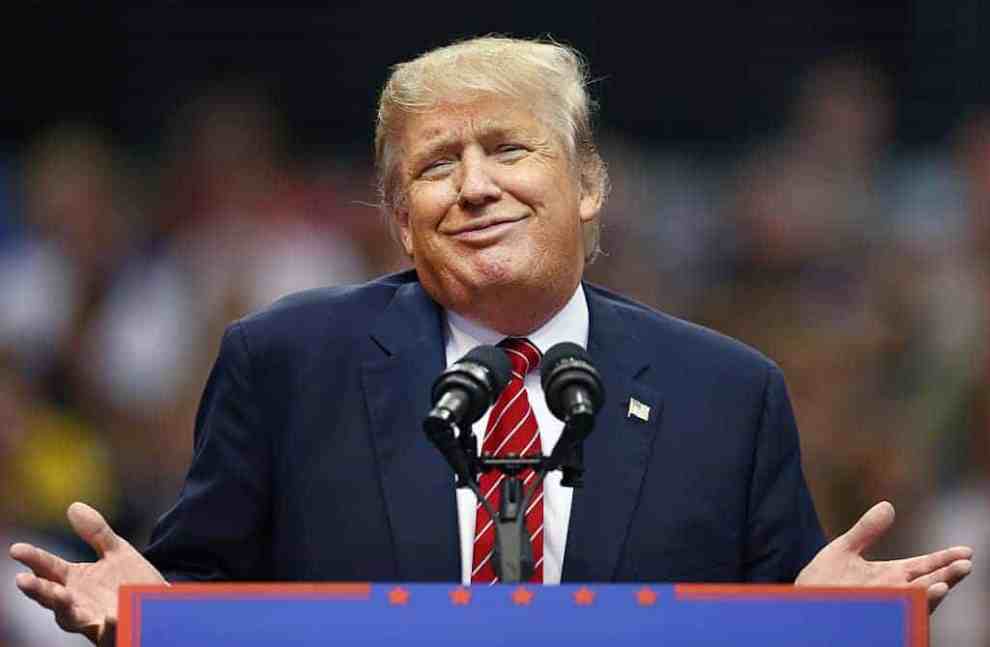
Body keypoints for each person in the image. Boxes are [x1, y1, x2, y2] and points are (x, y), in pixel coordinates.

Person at [9, 36, 974, 647]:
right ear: (398, 215)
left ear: (589, 184)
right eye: (436, 164)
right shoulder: (285, 366)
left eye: (509, 149)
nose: (474, 187)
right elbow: (204, 601)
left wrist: (830, 622)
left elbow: (774, 618)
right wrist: (147, 616)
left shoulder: (726, 390)